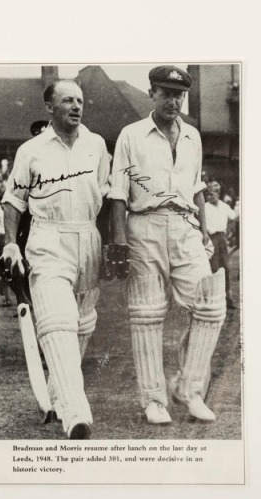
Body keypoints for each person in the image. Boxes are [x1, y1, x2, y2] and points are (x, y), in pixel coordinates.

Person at [108, 66, 226, 425]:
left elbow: (196, 187)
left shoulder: (193, 136)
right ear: (152, 94)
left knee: (212, 305)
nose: (173, 100)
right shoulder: (131, 135)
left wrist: (203, 231)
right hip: (143, 225)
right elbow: (117, 193)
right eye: (165, 93)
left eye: (179, 94)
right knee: (147, 315)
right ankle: (153, 400)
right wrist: (118, 241)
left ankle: (188, 389)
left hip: (186, 226)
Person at [0, 79, 111, 439]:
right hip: (47, 237)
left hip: (88, 236)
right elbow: (14, 201)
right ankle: (77, 414)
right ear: (50, 108)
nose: (76, 107)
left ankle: (56, 392)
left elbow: (108, 198)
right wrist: (12, 245)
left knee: (82, 323)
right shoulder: (31, 150)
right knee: (57, 322)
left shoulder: (96, 145)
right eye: (67, 101)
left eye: (79, 100)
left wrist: (109, 243)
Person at [204, 181, 238, 308]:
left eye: (212, 193)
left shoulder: (224, 206)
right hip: (210, 238)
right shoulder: (205, 207)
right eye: (207, 193)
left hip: (222, 238)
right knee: (213, 267)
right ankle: (212, 299)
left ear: (218, 194)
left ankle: (227, 298)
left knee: (225, 268)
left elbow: (233, 216)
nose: (209, 196)